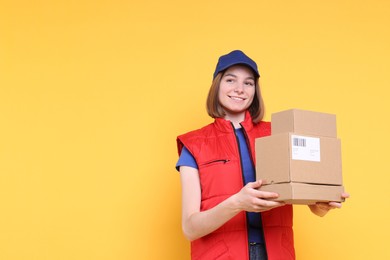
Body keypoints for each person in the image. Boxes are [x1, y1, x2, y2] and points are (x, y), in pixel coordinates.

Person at [176, 50, 349, 260]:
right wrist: (237, 202)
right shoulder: (194, 144)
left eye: (248, 83)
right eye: (231, 80)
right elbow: (190, 228)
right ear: (217, 85)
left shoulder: (278, 134)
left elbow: (309, 201)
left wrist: (320, 204)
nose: (239, 89)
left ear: (255, 90)